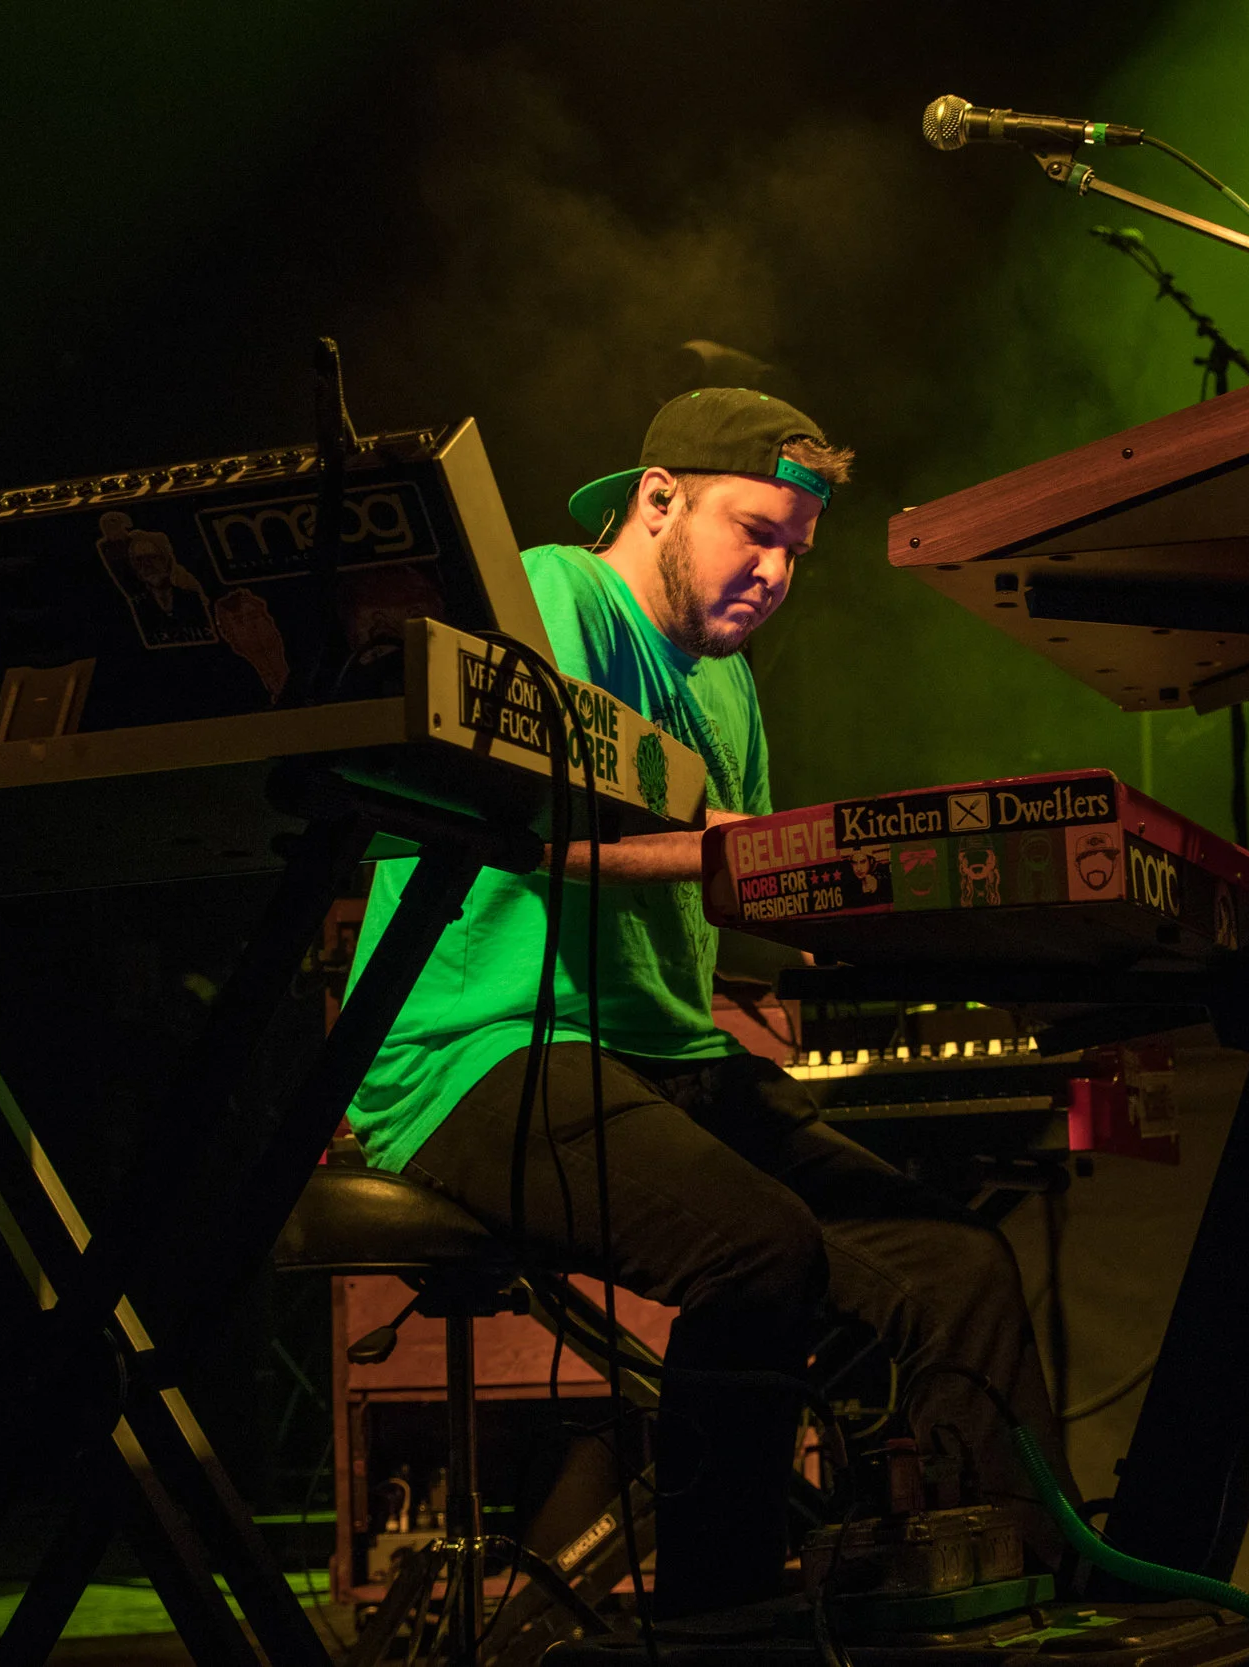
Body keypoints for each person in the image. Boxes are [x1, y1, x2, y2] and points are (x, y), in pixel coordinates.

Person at [342, 387, 1077, 1618]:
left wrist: (949, 917)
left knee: (957, 1265)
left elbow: (738, 883)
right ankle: (713, 1619)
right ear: (658, 498)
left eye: (797, 549)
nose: (777, 571)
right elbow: (531, 825)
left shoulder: (726, 685)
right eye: (756, 531)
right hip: (475, 1057)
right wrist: (755, 850)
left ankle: (1014, 1599)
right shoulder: (556, 594)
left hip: (659, 1058)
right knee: (757, 1249)